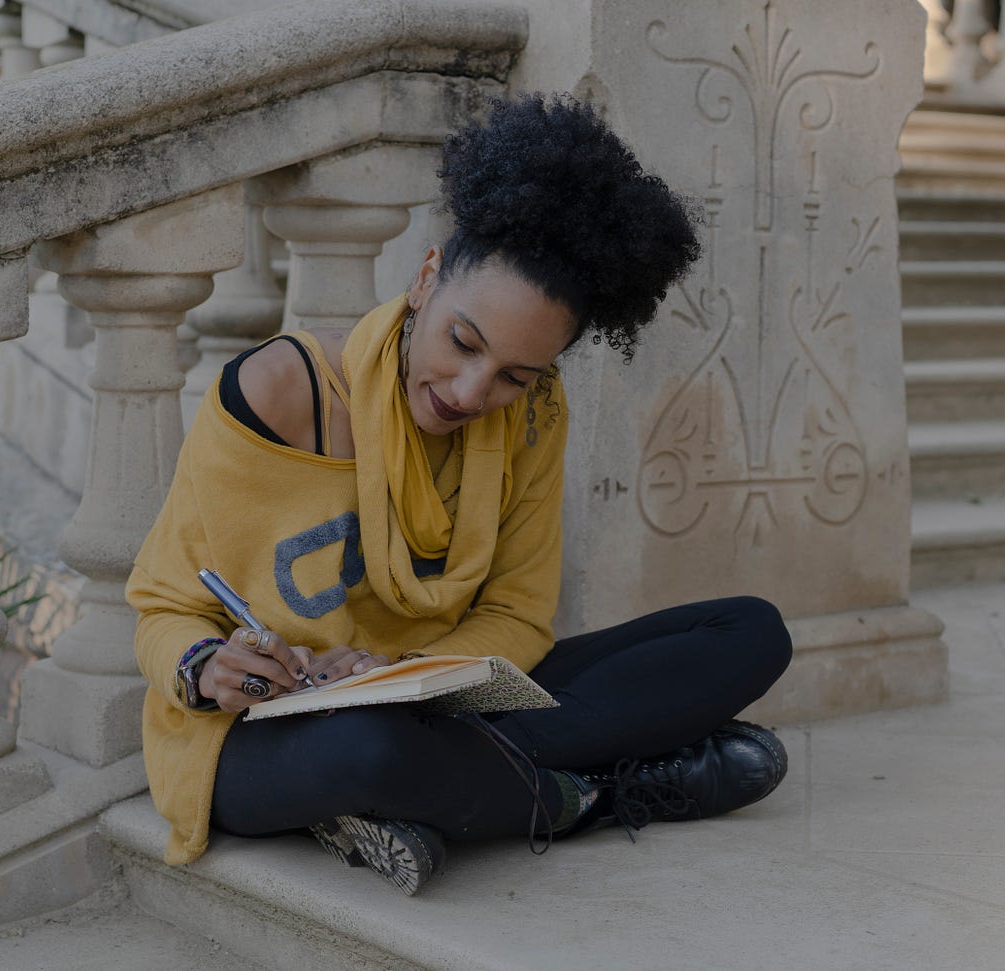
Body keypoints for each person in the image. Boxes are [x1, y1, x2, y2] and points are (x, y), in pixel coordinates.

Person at [126, 93, 794, 895]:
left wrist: (401, 665)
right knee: (365, 749)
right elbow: (167, 605)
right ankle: (592, 796)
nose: (474, 391)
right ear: (427, 278)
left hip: (444, 690)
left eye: (517, 373)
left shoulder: (536, 417)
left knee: (750, 632)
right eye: (463, 342)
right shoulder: (278, 391)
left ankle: (436, 798)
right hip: (274, 732)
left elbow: (516, 616)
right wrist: (205, 665)